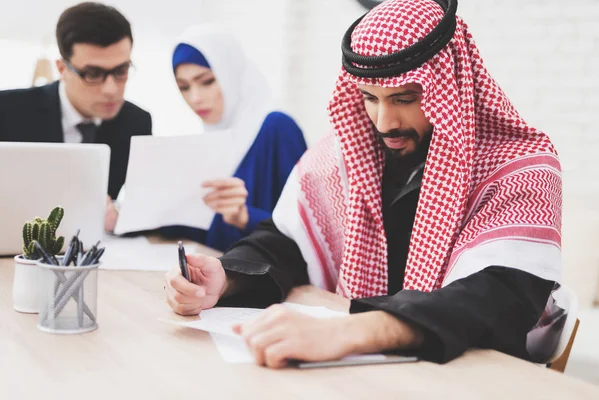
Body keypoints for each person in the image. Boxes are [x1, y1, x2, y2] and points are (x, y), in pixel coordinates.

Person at [165, 0, 562, 368]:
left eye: (405, 98)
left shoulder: (521, 167)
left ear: (449, 84)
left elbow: (498, 297)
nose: (384, 122)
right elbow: (289, 239)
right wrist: (227, 276)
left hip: (470, 375)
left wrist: (354, 332)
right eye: (370, 98)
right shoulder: (349, 150)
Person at [0, 2, 152, 232]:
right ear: (62, 69)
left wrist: (121, 213)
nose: (111, 89)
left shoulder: (137, 122)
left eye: (121, 71)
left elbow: (143, 206)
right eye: (93, 74)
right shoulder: (8, 111)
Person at [160, 26, 307, 251]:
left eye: (207, 81)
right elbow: (200, 226)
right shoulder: (211, 138)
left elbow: (306, 230)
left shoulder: (277, 128)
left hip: (271, 279)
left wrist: (245, 217)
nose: (195, 98)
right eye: (184, 87)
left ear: (230, 73)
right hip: (217, 274)